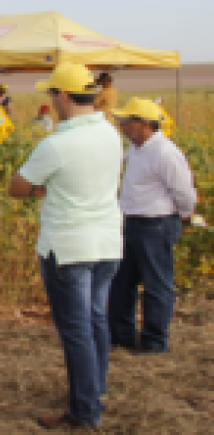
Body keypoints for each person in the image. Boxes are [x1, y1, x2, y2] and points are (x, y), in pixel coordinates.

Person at [8, 63, 122, 430]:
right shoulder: (111, 132)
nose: (52, 101)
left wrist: (42, 188)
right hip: (107, 242)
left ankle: (84, 412)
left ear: (65, 96)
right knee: (96, 320)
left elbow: (17, 187)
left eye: (52, 94)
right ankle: (95, 388)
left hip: (69, 247)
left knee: (77, 333)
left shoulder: (56, 144)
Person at [107, 98, 197, 354]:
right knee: (122, 283)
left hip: (156, 225)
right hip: (132, 222)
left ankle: (154, 342)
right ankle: (122, 336)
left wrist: (185, 214)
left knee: (156, 286)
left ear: (145, 124)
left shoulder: (165, 152)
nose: (122, 125)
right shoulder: (136, 148)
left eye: (127, 120)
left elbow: (184, 192)